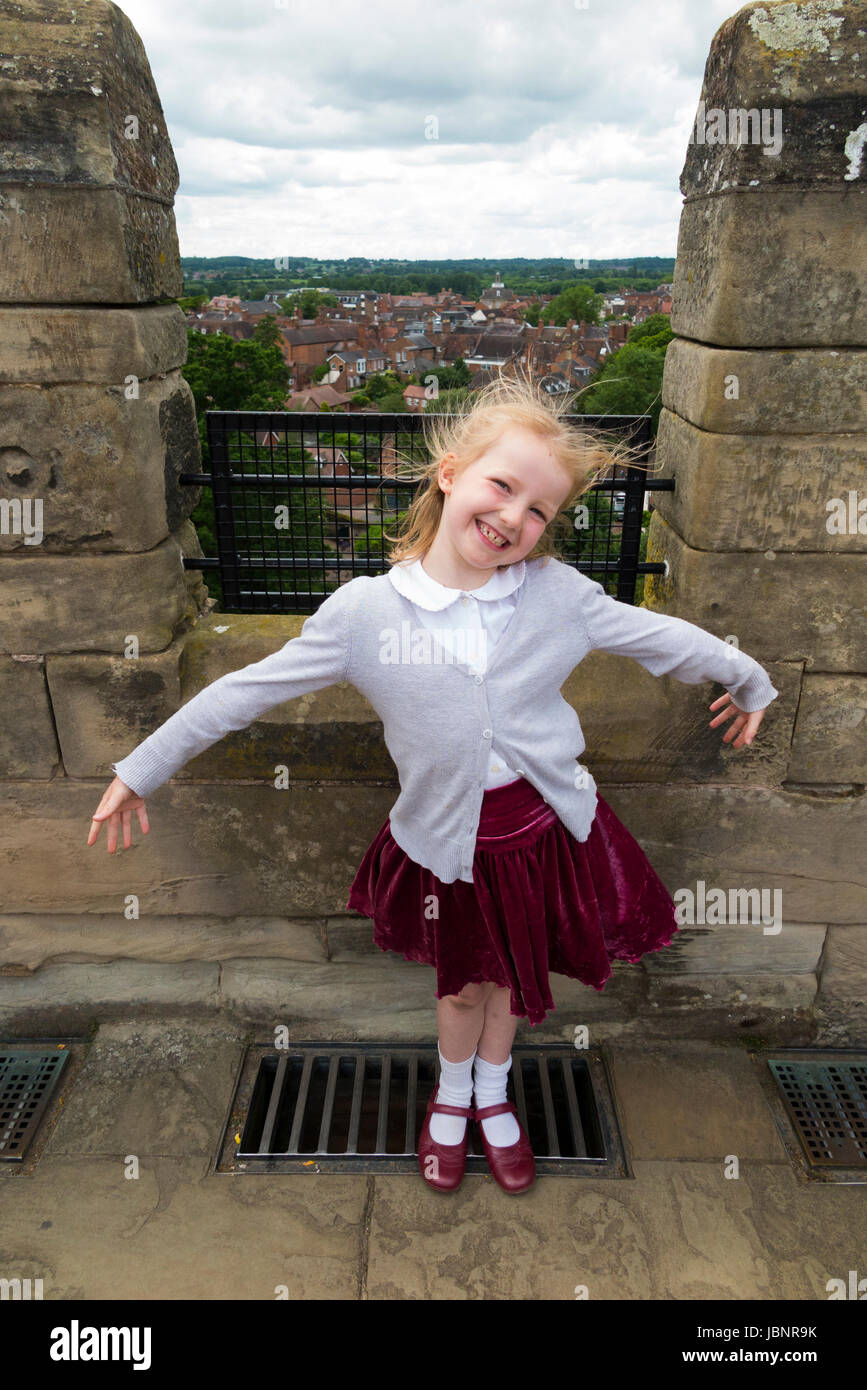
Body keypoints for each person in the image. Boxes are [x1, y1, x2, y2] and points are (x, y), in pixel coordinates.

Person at [89, 372, 778, 1198]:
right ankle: (452, 1097)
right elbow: (242, 693)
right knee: (462, 984)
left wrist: (747, 679)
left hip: (543, 833)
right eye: (501, 486)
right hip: (449, 842)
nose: (513, 519)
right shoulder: (364, 615)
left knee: (515, 978)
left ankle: (496, 1093)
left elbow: (660, 637)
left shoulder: (561, 597)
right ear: (449, 473)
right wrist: (140, 769)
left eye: (538, 512)